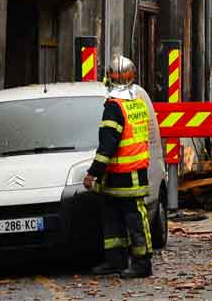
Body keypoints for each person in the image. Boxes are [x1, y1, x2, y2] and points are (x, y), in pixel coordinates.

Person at [84, 55, 154, 278]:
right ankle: (116, 261)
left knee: (133, 220)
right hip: (127, 173)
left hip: (123, 174)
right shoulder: (137, 102)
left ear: (108, 79)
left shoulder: (114, 107)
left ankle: (142, 263)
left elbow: (108, 145)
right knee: (116, 218)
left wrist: (92, 174)